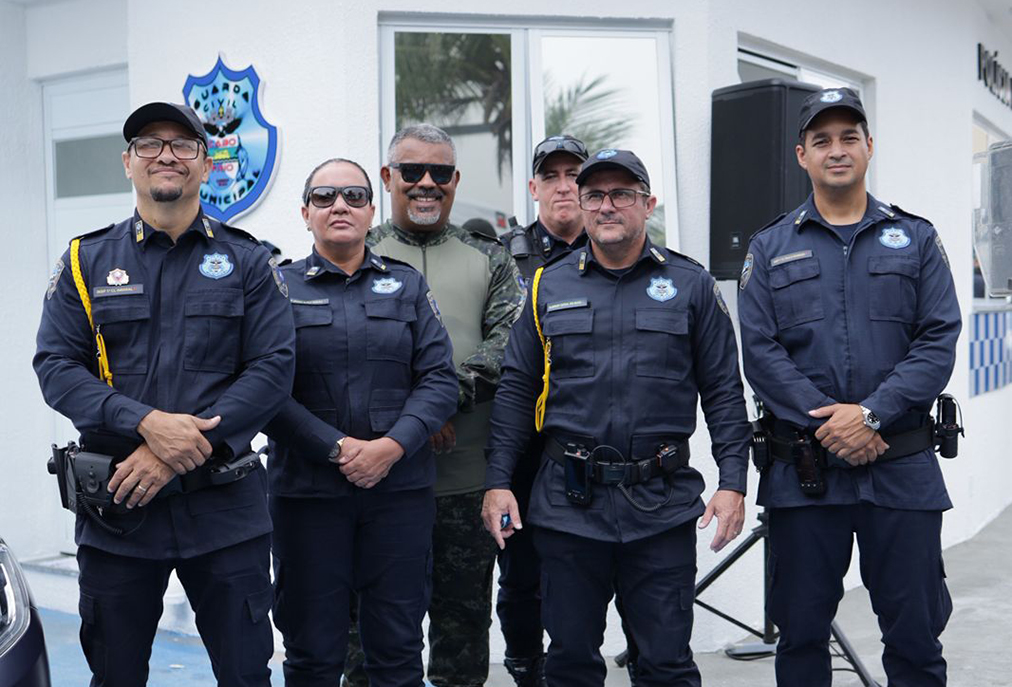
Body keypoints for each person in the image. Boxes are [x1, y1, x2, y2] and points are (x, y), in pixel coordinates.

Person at [33, 102, 295, 686]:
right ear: (128, 163)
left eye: (184, 145)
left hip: (225, 514)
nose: (166, 155)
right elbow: (55, 365)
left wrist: (173, 449)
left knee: (247, 676)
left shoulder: (251, 261)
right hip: (119, 512)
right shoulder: (84, 260)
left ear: (206, 166)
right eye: (149, 144)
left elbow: (273, 371)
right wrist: (147, 423)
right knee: (116, 675)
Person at [483, 149, 751, 687]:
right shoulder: (545, 286)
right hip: (568, 507)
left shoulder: (691, 285)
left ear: (647, 204)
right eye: (595, 196)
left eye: (622, 194)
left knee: (666, 664)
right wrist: (497, 482)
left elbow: (723, 389)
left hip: (661, 505)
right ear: (581, 206)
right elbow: (516, 390)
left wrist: (733, 483)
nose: (608, 206)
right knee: (571, 664)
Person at [737, 87, 961, 687]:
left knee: (915, 638)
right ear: (801, 155)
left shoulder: (915, 239)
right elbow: (759, 352)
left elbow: (938, 339)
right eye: (822, 141)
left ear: (869, 147)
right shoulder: (770, 246)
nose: (837, 150)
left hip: (901, 468)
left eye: (848, 138)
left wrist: (872, 415)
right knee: (802, 636)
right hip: (807, 475)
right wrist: (832, 423)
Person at [263, 158, 457, 687]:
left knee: (396, 649)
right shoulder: (275, 290)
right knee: (312, 652)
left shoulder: (408, 286)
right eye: (324, 198)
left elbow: (440, 380)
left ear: (372, 210)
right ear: (305, 213)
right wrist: (336, 448)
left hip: (398, 494)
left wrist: (391, 447)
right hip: (307, 497)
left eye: (353, 195)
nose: (340, 206)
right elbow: (262, 390)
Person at [344, 124, 524, 687]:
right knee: (367, 630)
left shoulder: (489, 258)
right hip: (378, 480)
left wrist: (445, 400)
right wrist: (417, 422)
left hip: (465, 481)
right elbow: (347, 357)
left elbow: (509, 342)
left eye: (440, 173)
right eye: (412, 172)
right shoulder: (355, 250)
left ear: (454, 181)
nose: (426, 184)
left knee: (463, 628)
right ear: (387, 178)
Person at [495, 133, 588, 687]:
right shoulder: (504, 255)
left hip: (580, 439)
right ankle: (526, 668)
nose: (563, 186)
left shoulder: (611, 247)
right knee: (521, 573)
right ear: (533, 188)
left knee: (581, 569)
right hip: (520, 445)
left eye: (573, 175)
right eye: (550, 176)